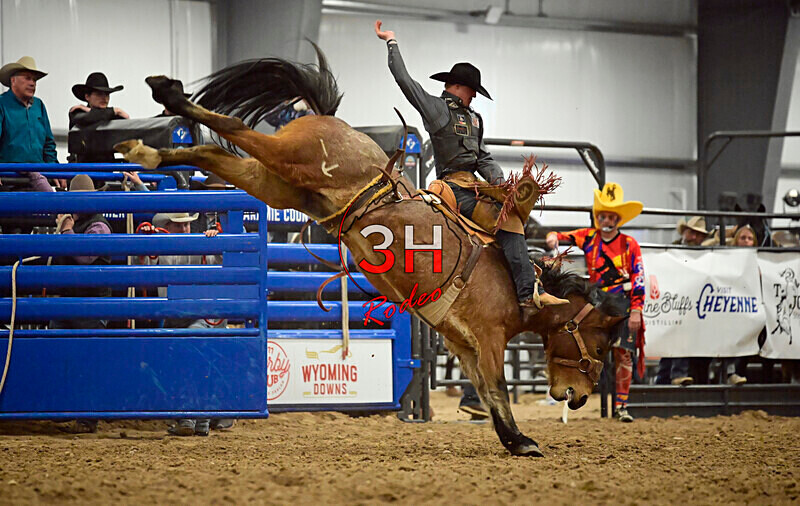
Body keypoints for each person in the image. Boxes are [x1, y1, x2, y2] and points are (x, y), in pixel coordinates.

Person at [375, 20, 568, 419]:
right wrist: (392, 43)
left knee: (512, 217)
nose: (470, 97)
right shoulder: (436, 107)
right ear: (462, 88)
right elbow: (404, 81)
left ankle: (507, 290)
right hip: (452, 189)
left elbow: (481, 157)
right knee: (510, 224)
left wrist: (501, 182)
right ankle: (526, 291)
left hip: (474, 187)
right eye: (471, 91)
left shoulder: (474, 120)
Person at [545, 182, 645, 422]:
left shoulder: (629, 244)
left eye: (611, 216)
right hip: (597, 302)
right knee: (582, 345)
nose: (606, 220)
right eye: (602, 215)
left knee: (623, 353)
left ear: (617, 219)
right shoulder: (589, 237)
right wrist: (552, 238)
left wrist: (637, 309)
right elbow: (559, 236)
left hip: (620, 301)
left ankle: (621, 406)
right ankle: (575, 392)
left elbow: (638, 276)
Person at [137, 212, 233, 436]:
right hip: (181, 316)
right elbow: (146, 260)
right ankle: (198, 419)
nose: (184, 229)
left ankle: (193, 418)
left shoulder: (202, 244)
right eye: (179, 225)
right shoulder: (160, 244)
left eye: (187, 224)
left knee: (189, 353)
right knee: (191, 359)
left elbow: (224, 259)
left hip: (198, 317)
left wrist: (217, 242)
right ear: (167, 226)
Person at [50, 174, 113, 434]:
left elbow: (85, 256)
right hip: (71, 300)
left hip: (91, 305)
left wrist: (65, 229)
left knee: (85, 359)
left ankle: (87, 418)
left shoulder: (99, 226)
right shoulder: (78, 222)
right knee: (56, 351)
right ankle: (64, 407)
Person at [0, 56, 57, 190]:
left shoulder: (39, 106)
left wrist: (54, 170)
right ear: (13, 80)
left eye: (34, 80)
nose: (32, 83)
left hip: (37, 176)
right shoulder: (2, 104)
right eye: (27, 78)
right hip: (8, 178)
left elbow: (49, 144)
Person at [69, 72, 129, 162]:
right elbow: (88, 118)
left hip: (107, 170)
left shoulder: (111, 115)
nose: (104, 98)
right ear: (87, 96)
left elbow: (126, 121)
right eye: (99, 94)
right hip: (83, 169)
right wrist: (115, 111)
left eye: (107, 94)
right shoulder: (77, 112)